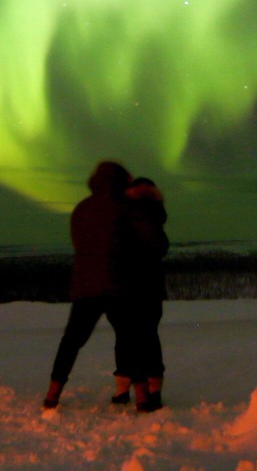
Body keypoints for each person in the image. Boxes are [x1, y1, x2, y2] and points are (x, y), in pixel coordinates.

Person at [42, 160, 132, 410]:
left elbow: (79, 244)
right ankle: (125, 392)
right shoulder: (125, 207)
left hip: (86, 284)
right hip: (118, 284)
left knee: (71, 341)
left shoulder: (82, 208)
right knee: (127, 337)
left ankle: (53, 393)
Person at [113, 176, 170, 412]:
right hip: (150, 286)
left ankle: (128, 389)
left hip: (127, 285)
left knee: (127, 336)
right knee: (148, 335)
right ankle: (152, 388)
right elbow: (161, 247)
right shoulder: (156, 218)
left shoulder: (127, 217)